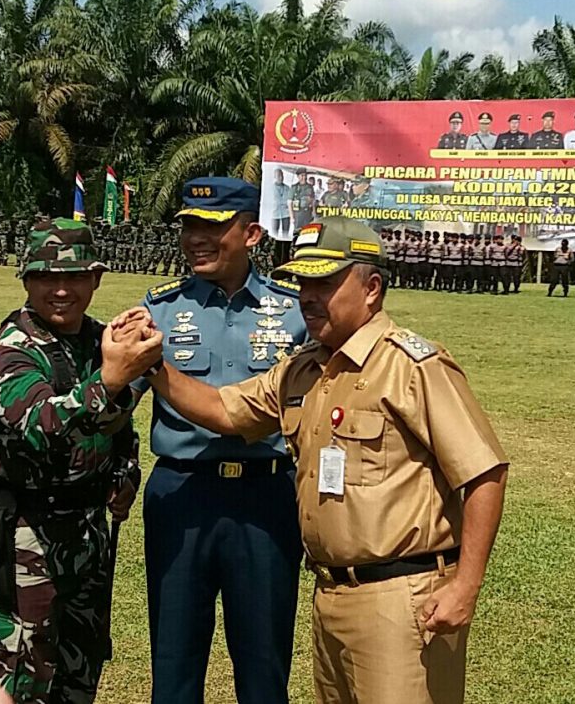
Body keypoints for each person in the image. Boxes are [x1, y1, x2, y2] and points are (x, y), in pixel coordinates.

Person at [115, 216, 509, 704]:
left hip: (404, 597)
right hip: (331, 597)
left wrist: (465, 586)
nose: (308, 296)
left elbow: (485, 472)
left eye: (325, 283)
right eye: (303, 282)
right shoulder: (303, 370)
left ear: (372, 288)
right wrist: (153, 363)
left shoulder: (411, 367)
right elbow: (223, 410)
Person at [131, 179, 307, 704]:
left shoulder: (295, 312)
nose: (195, 239)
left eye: (211, 227)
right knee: (175, 659)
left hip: (266, 499)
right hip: (182, 495)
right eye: (188, 226)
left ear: (252, 233)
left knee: (263, 663)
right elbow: (118, 404)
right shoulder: (158, 310)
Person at [0, 219, 149, 703]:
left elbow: (118, 425)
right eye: (46, 277)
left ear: (96, 279)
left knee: (76, 671)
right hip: (25, 538)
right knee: (13, 675)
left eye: (75, 277)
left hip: (87, 538)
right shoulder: (9, 352)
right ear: (26, 280)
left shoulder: (101, 341)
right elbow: (40, 423)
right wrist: (109, 380)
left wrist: (126, 472)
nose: (61, 289)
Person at [271, 168, 292, 239]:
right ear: (275, 177)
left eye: (282, 175)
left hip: (286, 214)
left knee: (286, 234)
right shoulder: (271, 188)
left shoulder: (288, 188)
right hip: (274, 214)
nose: (281, 177)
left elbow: (290, 200)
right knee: (274, 235)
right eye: (278, 176)